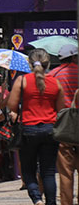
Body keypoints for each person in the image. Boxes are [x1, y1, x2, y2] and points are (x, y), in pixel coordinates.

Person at [8, 48, 65, 205]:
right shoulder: (55, 82)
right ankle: (51, 202)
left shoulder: (22, 80)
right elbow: (61, 109)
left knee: (28, 170)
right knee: (48, 172)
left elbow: (12, 106)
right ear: (48, 64)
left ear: (30, 63)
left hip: (28, 130)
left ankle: (37, 199)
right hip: (50, 130)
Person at [48, 44, 78, 205]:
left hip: (63, 124)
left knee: (65, 170)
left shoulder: (53, 75)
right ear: (74, 57)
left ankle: (67, 202)